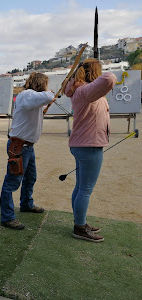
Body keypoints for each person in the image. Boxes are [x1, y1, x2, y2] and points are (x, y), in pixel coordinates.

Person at [64, 59, 116, 242]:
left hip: (83, 144)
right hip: (88, 145)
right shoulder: (86, 90)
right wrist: (94, 73)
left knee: (80, 187)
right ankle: (79, 227)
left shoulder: (81, 89)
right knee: (85, 189)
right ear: (93, 73)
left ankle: (80, 222)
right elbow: (110, 78)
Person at [0, 72, 54, 230]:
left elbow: (44, 101)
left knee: (30, 177)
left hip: (27, 146)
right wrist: (50, 95)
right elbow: (49, 96)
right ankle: (7, 217)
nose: (47, 88)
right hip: (19, 146)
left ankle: (26, 204)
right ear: (41, 84)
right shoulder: (27, 95)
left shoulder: (31, 98)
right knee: (11, 182)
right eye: (46, 84)